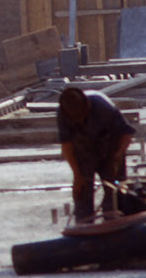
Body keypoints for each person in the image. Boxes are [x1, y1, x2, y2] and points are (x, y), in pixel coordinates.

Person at [57, 86, 137, 223]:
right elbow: (67, 145)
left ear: (87, 106)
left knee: (115, 192)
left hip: (111, 150)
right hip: (84, 153)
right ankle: (84, 227)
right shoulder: (63, 112)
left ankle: (115, 224)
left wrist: (118, 156)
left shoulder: (103, 107)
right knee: (82, 192)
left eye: (81, 117)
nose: (79, 121)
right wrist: (77, 175)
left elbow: (126, 134)